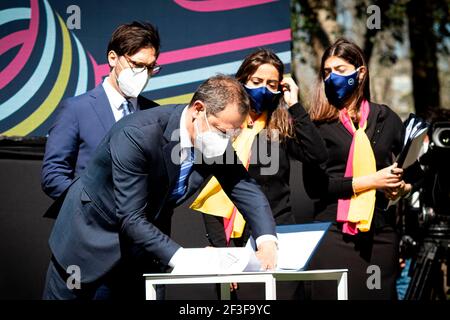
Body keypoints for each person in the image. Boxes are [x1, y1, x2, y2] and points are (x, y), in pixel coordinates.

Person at [42, 75, 278, 300]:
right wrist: (187, 259)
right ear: (198, 109)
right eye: (223, 131)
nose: (227, 140)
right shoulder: (137, 134)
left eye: (233, 134)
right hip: (89, 245)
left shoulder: (213, 138)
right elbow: (130, 216)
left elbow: (244, 186)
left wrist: (266, 240)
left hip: (145, 251)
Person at [192, 48, 327, 299]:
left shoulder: (281, 123)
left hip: (278, 237)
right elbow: (210, 193)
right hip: (235, 243)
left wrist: (295, 105)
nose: (264, 89)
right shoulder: (222, 125)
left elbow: (317, 155)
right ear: (241, 81)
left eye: (272, 84)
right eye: (256, 82)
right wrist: (223, 252)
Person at [303, 38, 415, 300]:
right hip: (334, 234)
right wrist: (371, 181)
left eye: (340, 70)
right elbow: (316, 187)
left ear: (360, 72)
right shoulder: (317, 125)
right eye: (327, 72)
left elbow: (410, 171)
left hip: (382, 236)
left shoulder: (386, 118)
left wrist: (402, 188)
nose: (332, 78)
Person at [41, 21, 161, 199]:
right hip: (90, 223)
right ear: (113, 58)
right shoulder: (76, 109)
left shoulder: (155, 113)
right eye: (136, 64)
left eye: (150, 67)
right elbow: (53, 176)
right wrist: (90, 205)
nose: (143, 74)